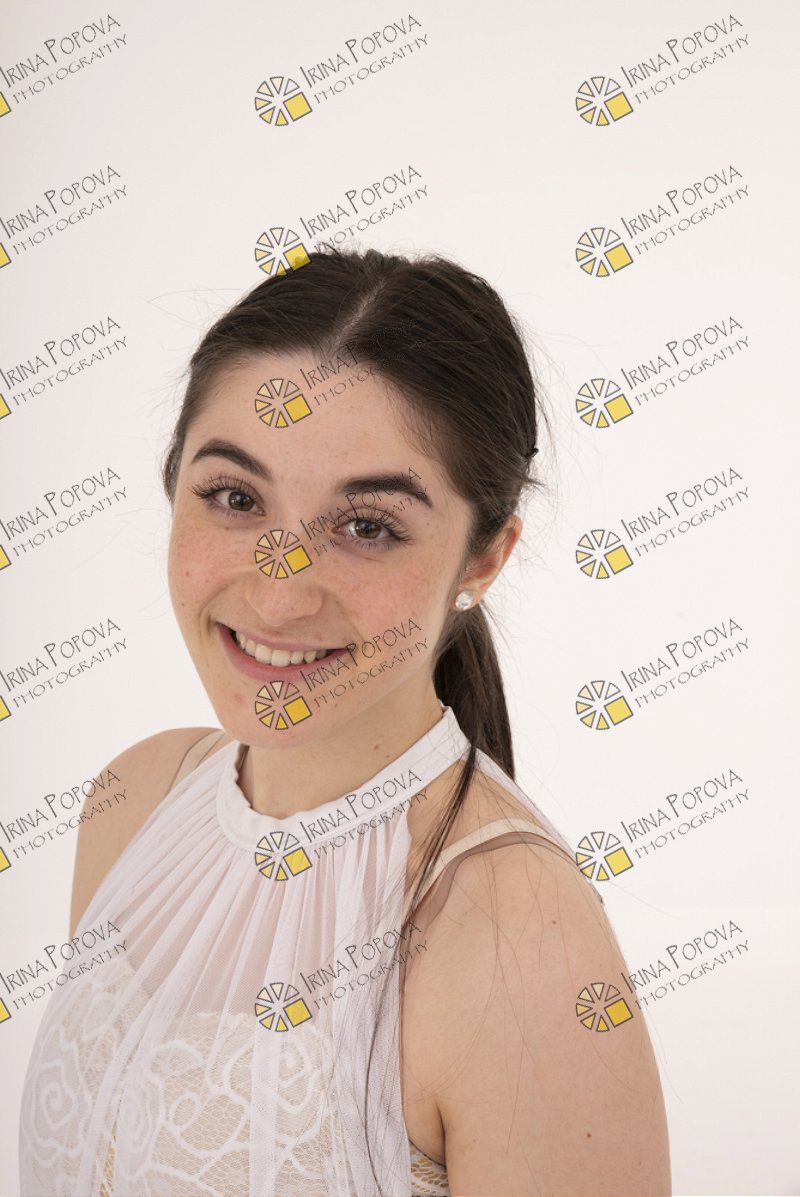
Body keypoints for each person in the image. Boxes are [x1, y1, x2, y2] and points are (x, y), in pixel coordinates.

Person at [18, 246, 671, 1196]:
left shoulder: (516, 940)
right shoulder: (135, 799)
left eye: (367, 525)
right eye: (236, 497)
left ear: (484, 558)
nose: (278, 593)